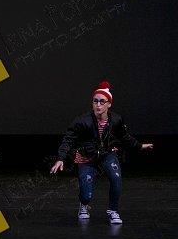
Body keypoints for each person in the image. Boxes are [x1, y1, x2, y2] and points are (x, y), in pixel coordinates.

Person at [50, 81, 153, 224]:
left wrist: (139, 146)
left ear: (109, 104)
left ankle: (113, 211)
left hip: (107, 154)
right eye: (95, 101)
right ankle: (84, 205)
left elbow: (124, 137)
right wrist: (60, 158)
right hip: (86, 156)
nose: (98, 105)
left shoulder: (116, 119)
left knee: (116, 178)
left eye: (102, 102)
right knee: (86, 194)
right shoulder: (82, 120)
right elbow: (68, 139)